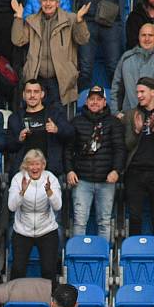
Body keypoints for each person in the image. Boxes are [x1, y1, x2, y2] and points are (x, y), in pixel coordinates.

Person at [10, 0, 91, 106]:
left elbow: (82, 39)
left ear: (57, 3)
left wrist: (79, 21)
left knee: (57, 118)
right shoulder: (31, 20)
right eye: (45, 0)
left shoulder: (71, 19)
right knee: (37, 115)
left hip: (60, 79)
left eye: (51, 0)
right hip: (37, 77)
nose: (48, 4)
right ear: (40, 2)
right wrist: (18, 17)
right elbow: (17, 40)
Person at [65, 85, 124, 239]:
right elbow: (68, 150)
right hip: (82, 181)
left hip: (106, 181)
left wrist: (116, 170)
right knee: (79, 222)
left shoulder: (114, 123)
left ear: (105, 102)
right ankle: (78, 258)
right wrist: (69, 170)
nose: (95, 102)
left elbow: (120, 149)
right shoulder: (76, 122)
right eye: (92, 99)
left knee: (104, 222)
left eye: (99, 99)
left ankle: (103, 260)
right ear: (86, 101)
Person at [123, 77, 154, 239]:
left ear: (153, 92)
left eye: (142, 91)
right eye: (137, 92)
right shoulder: (131, 114)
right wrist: (137, 132)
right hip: (135, 171)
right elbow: (127, 145)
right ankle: (133, 253)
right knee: (135, 217)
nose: (138, 95)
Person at [8, 149, 62, 283]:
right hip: (22, 230)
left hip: (46, 230)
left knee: (49, 270)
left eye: (38, 164)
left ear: (43, 165)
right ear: (26, 166)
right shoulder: (18, 178)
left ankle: (50, 302)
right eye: (31, 164)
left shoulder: (51, 178)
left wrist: (49, 192)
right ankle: (15, 301)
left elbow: (58, 206)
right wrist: (22, 192)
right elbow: (11, 207)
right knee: (18, 270)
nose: (35, 167)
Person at [69, 0, 131, 90]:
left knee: (114, 68)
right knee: (85, 70)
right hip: (87, 20)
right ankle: (81, 104)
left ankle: (118, 105)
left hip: (111, 20)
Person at [6, 79, 74, 177]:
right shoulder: (15, 118)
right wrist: (19, 139)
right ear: (23, 95)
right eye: (29, 92)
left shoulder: (54, 114)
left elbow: (71, 133)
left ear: (42, 94)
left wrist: (57, 129)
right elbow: (8, 146)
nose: (32, 95)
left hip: (50, 172)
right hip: (23, 173)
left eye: (36, 92)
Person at [110, 23, 154, 117]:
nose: (147, 39)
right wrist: (115, 112)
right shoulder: (126, 57)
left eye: (150, 35)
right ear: (139, 37)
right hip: (131, 117)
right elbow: (116, 87)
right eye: (143, 35)